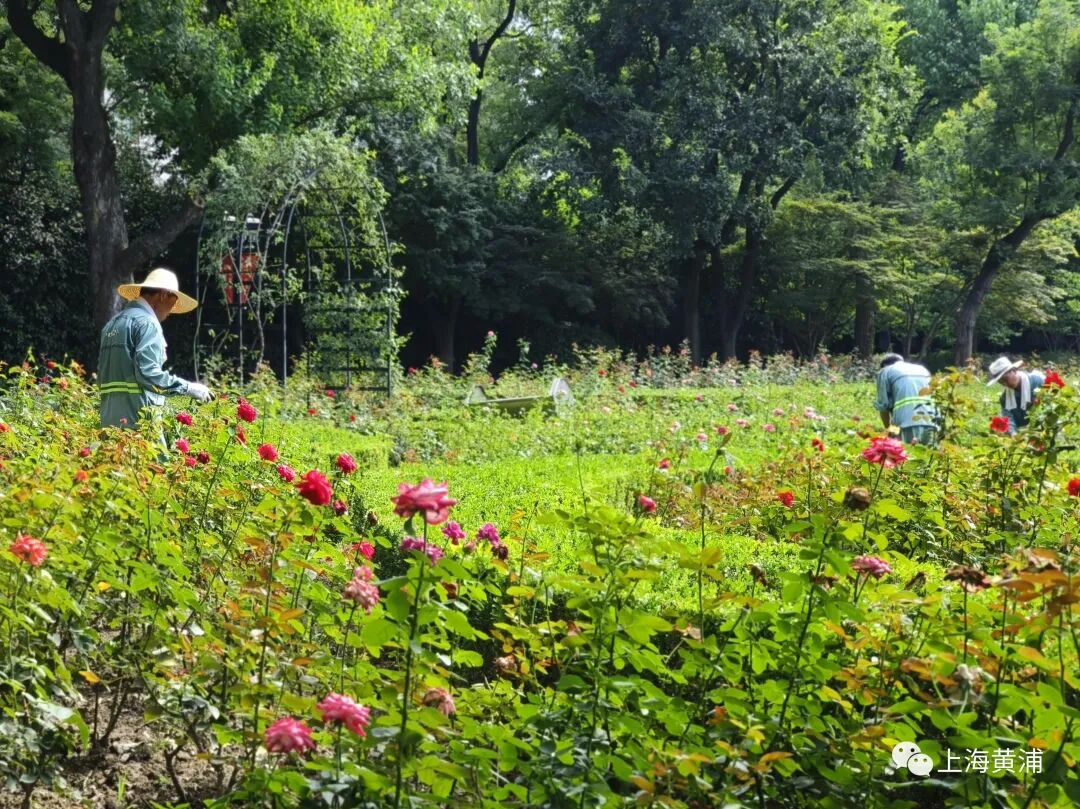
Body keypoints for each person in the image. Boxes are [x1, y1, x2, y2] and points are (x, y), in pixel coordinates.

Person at [98, 268, 213, 445]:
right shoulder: (147, 324)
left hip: (109, 423)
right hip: (139, 423)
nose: (171, 310)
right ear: (163, 295)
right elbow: (148, 374)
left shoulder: (113, 324)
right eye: (173, 302)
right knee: (154, 469)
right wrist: (189, 388)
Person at [874, 353, 938, 445]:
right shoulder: (922, 369)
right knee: (928, 456)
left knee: (907, 456)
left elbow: (883, 406)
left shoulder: (886, 371)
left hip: (907, 423)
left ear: (884, 366)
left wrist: (889, 430)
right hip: (933, 422)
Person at [987, 356, 1043, 434]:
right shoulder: (1004, 398)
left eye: (1005, 379)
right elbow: (1008, 419)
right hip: (1022, 432)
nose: (1005, 384)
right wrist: (1014, 435)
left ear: (1014, 370)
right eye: (1001, 382)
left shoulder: (1037, 382)